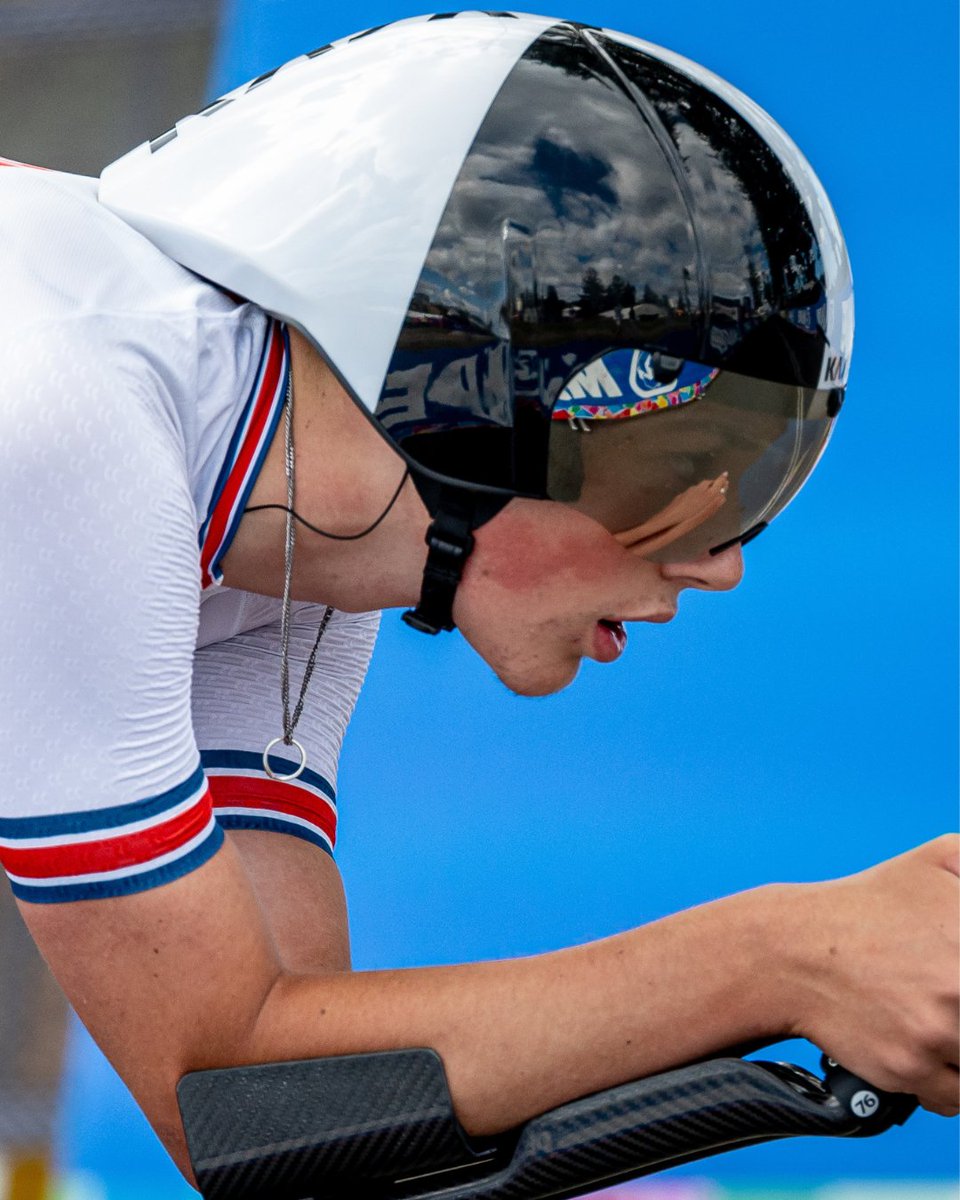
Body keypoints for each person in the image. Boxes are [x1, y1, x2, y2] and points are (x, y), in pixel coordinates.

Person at [0, 12, 956, 1186]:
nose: (721, 561)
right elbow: (225, 1094)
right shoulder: (64, 412)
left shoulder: (293, 532)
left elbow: (309, 1134)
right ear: (465, 414)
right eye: (677, 474)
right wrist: (787, 959)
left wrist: (848, 965)